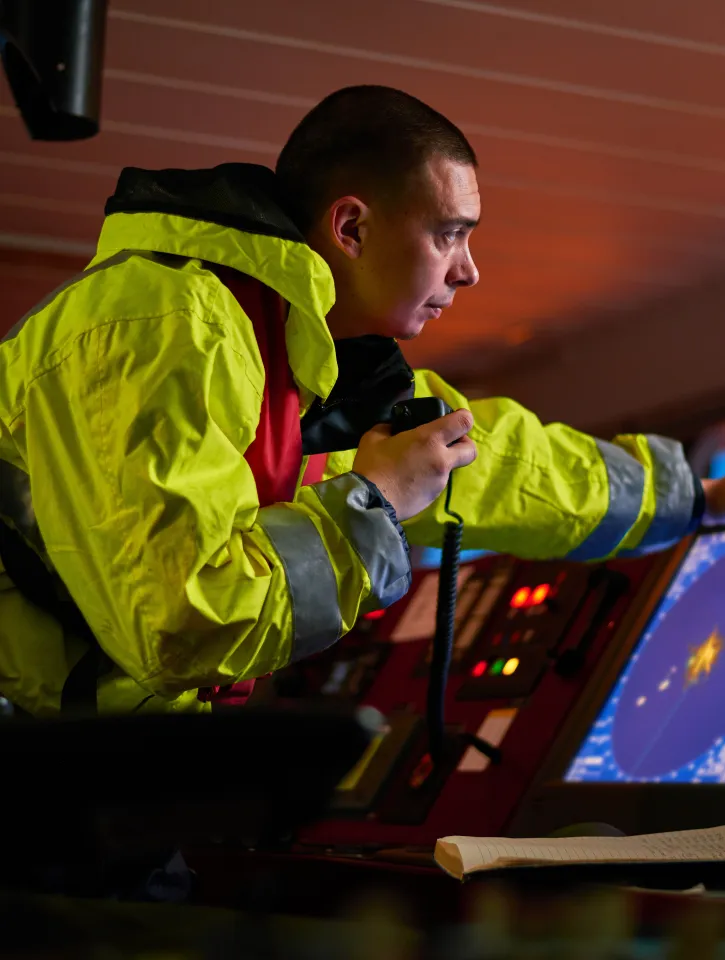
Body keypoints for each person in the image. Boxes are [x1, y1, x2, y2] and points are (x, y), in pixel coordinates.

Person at [1, 84, 723, 717]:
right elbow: (185, 627)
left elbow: (502, 464)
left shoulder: (307, 355)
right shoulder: (162, 327)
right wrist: (374, 500)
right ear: (351, 228)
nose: (468, 271)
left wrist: (693, 496)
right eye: (450, 235)